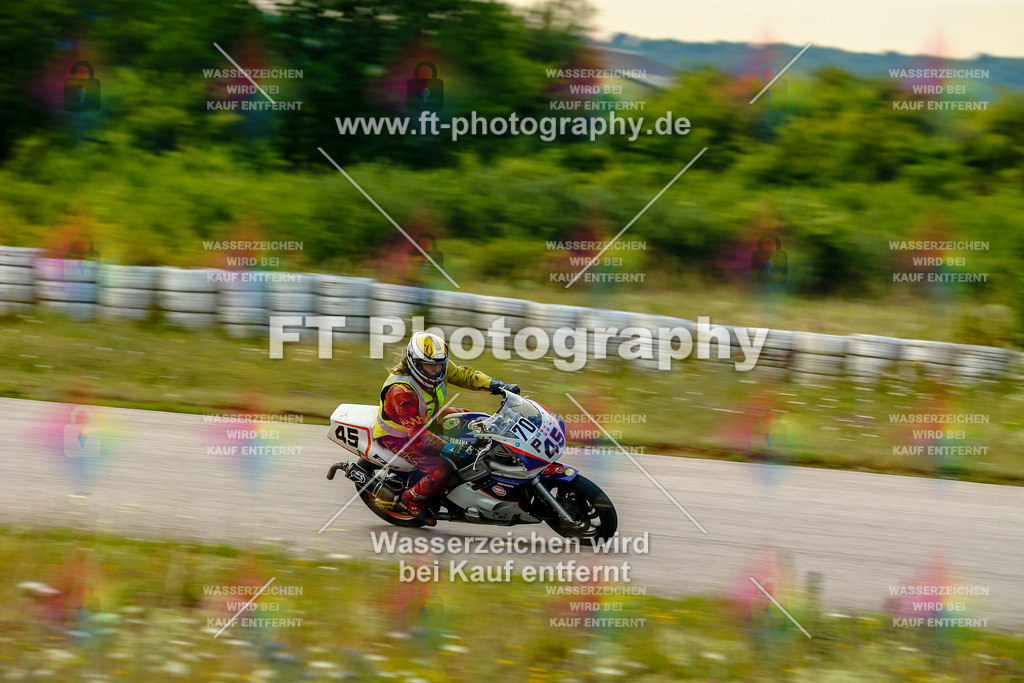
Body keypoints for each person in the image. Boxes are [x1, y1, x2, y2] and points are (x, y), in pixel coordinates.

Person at [372, 332, 519, 526]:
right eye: (429, 366)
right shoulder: (401, 391)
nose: (435, 370)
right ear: (414, 363)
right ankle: (412, 498)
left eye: (439, 365)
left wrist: (496, 386)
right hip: (399, 436)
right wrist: (448, 448)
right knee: (440, 470)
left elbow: (465, 376)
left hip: (424, 418)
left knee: (472, 425)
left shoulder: (439, 366)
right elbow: (417, 436)